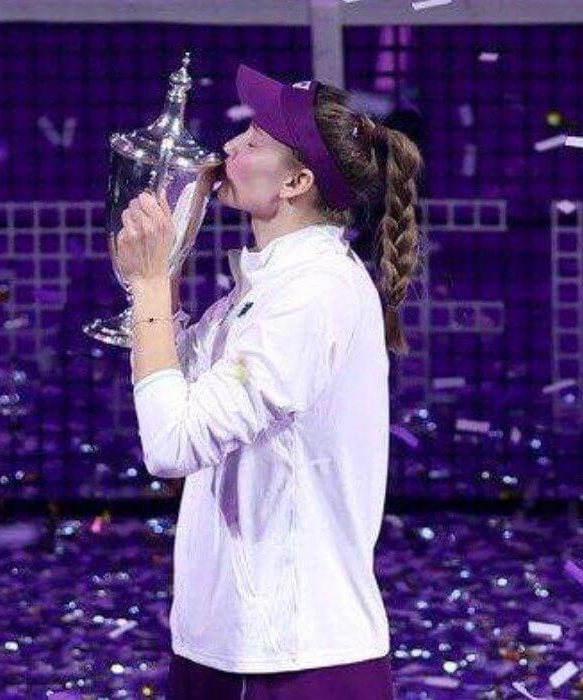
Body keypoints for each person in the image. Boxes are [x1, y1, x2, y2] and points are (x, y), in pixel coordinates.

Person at [112, 62, 423, 699]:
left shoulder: (313, 294)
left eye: (253, 140)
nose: (228, 146)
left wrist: (148, 287)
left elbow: (172, 445)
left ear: (297, 182)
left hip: (295, 658)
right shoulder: (262, 289)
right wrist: (165, 270)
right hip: (224, 644)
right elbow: (173, 388)